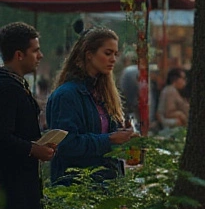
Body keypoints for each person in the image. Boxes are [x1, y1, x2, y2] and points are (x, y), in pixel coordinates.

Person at [46, 27, 137, 186]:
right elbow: (67, 144)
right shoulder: (66, 95)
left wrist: (124, 136)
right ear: (89, 54)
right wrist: (110, 139)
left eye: (115, 54)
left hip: (106, 184)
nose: (113, 59)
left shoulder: (103, 93)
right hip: (76, 188)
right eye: (107, 53)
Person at [0, 23, 54, 209]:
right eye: (35, 50)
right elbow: (3, 136)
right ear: (19, 55)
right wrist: (33, 149)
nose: (40, 56)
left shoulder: (16, 84)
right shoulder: (7, 88)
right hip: (12, 189)